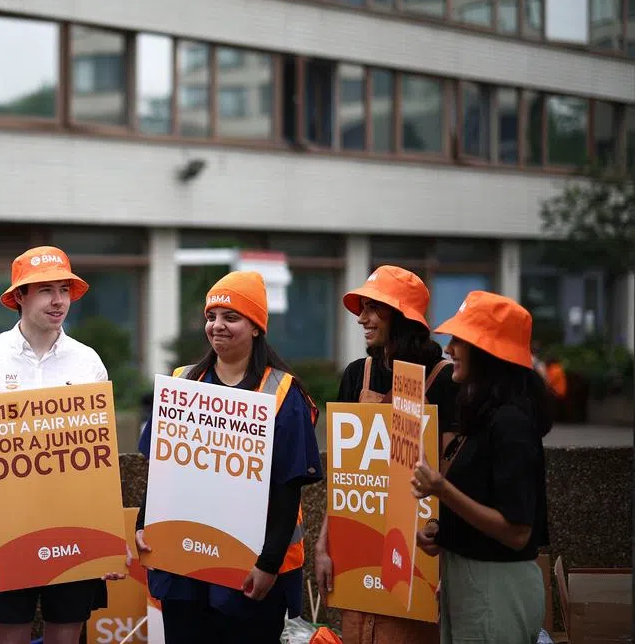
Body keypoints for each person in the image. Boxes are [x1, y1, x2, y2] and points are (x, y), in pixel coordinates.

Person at [134, 271, 323, 644]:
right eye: (211, 317)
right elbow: (162, 470)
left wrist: (268, 564)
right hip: (183, 566)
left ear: (256, 327)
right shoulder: (183, 382)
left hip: (249, 570)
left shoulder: (284, 394)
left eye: (230, 317)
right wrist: (144, 523)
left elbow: (289, 489)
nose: (217, 326)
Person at [0, 246, 113, 644]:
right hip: (7, 521)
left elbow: (100, 453)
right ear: (20, 296)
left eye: (64, 289)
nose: (59, 300)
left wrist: (108, 533)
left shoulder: (87, 361)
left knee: (66, 631)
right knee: (10, 632)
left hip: (74, 519)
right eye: (45, 290)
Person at [314, 265, 459, 644]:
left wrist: (450, 563)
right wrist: (323, 544)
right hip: (358, 551)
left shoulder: (444, 380)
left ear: (402, 316)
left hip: (419, 553)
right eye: (362, 308)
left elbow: (453, 480)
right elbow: (342, 477)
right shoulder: (355, 374)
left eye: (373, 308)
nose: (361, 318)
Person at [411, 291, 552, 644]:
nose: (449, 349)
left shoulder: (511, 423)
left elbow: (517, 531)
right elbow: (480, 505)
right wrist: (442, 533)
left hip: (497, 588)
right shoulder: (488, 416)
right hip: (471, 581)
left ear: (488, 352)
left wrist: (442, 489)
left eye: (460, 340)